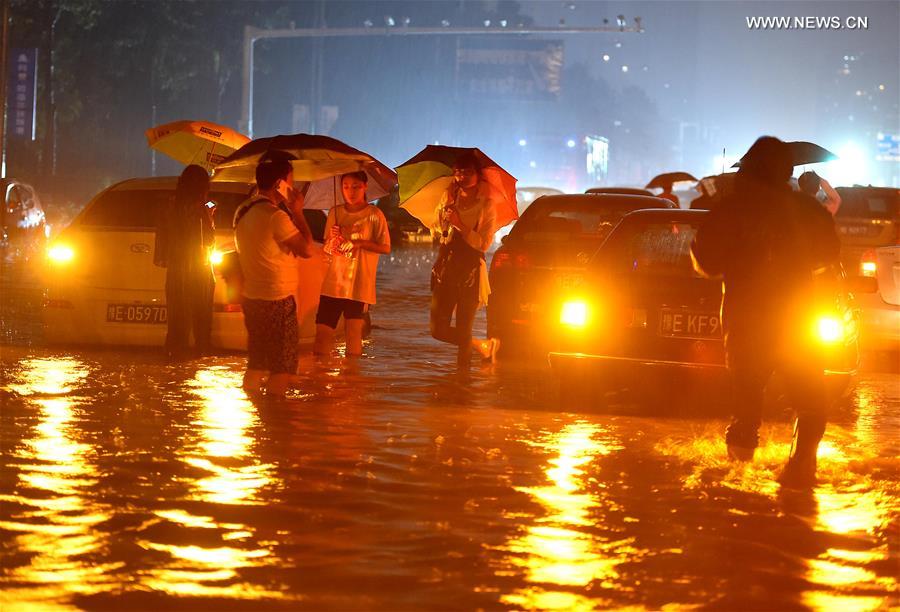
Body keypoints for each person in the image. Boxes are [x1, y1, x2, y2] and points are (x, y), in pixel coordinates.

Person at [690, 136, 841, 488]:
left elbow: (706, 261)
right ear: (786, 171)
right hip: (797, 320)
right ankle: (802, 467)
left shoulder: (731, 209)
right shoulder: (808, 210)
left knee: (745, 408)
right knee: (811, 400)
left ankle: (738, 484)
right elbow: (828, 254)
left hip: (747, 323)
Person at [233, 158, 313, 396]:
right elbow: (307, 249)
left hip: (252, 298)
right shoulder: (275, 216)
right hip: (277, 300)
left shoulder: (242, 210)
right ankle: (274, 424)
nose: (294, 184)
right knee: (282, 369)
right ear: (280, 184)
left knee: (257, 363)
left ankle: (256, 416)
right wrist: (297, 212)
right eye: (291, 180)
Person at [429, 153, 500, 366]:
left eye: (467, 172)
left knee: (463, 329)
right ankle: (482, 345)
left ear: (478, 175)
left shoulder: (486, 205)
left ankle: (462, 386)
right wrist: (444, 217)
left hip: (470, 271)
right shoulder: (448, 198)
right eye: (458, 172)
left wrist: (460, 224)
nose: (462, 177)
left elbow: (483, 244)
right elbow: (436, 232)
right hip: (446, 267)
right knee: (437, 329)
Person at [313, 171, 391, 357]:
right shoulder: (335, 212)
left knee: (353, 333)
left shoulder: (374, 214)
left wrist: (359, 243)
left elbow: (386, 247)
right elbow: (327, 248)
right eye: (346, 186)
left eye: (355, 186)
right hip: (334, 283)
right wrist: (332, 240)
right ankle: (320, 380)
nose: (350, 191)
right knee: (323, 333)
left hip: (359, 283)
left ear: (365, 187)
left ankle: (352, 380)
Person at [154, 164, 215, 360]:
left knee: (176, 319)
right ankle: (198, 357)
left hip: (176, 269)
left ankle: (173, 357)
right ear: (202, 186)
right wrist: (210, 218)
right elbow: (208, 240)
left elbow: (163, 235)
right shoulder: (200, 209)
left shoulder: (169, 205)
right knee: (201, 319)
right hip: (199, 269)